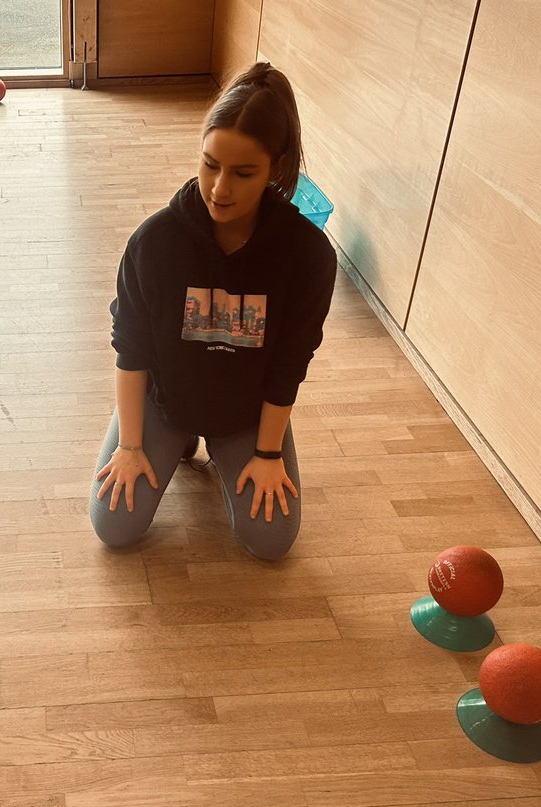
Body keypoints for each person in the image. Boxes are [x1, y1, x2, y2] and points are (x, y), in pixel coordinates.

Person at [90, 61, 337, 560]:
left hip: (245, 413)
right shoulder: (155, 241)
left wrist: (267, 454)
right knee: (114, 527)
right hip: (165, 401)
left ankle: (225, 454)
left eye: (243, 173)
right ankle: (175, 440)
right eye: (209, 165)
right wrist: (131, 447)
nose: (219, 189)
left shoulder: (309, 256)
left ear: (279, 167)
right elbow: (131, 349)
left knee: (270, 542)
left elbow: (290, 363)